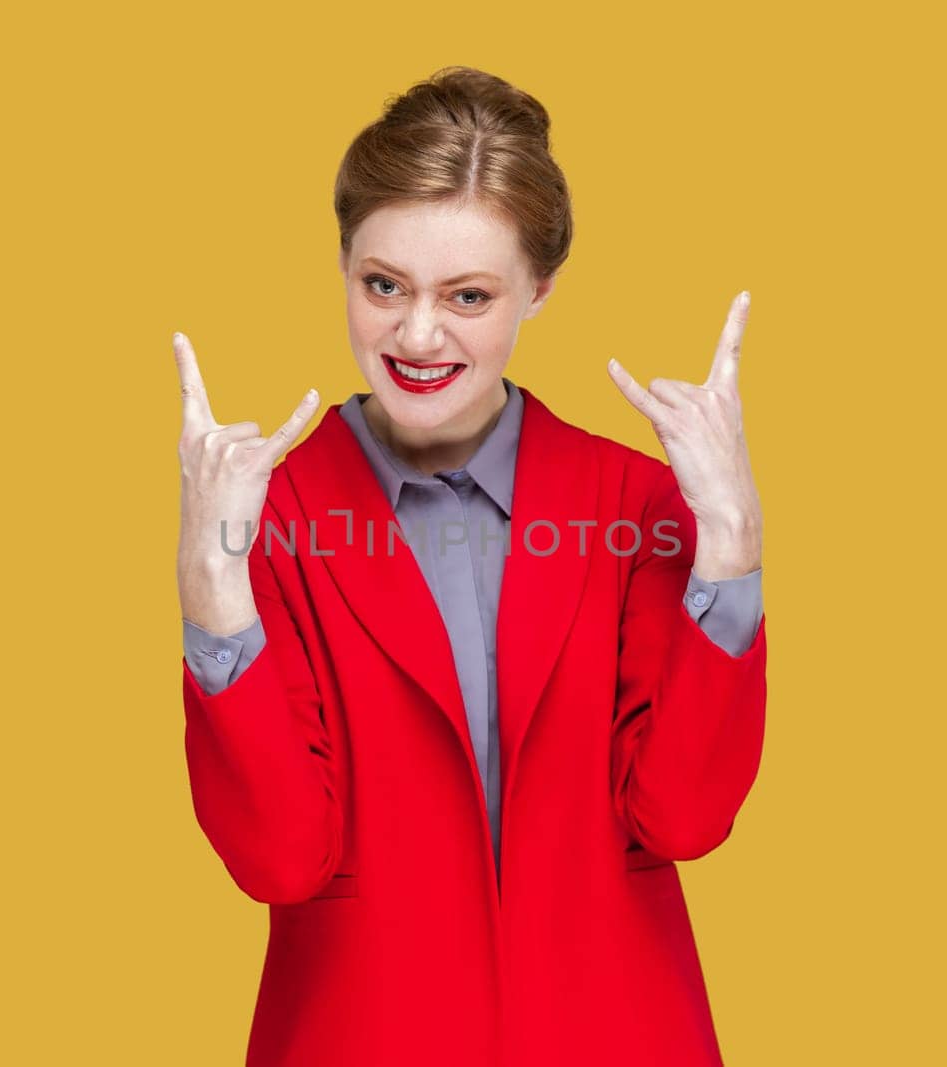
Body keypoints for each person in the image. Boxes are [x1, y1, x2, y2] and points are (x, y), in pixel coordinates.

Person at [173, 66, 767, 1067]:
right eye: (383, 284)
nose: (415, 334)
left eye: (468, 295)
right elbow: (279, 856)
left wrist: (732, 545)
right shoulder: (266, 517)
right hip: (361, 1037)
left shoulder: (640, 506)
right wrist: (212, 589)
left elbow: (686, 816)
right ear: (344, 265)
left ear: (538, 288)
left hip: (616, 1032)